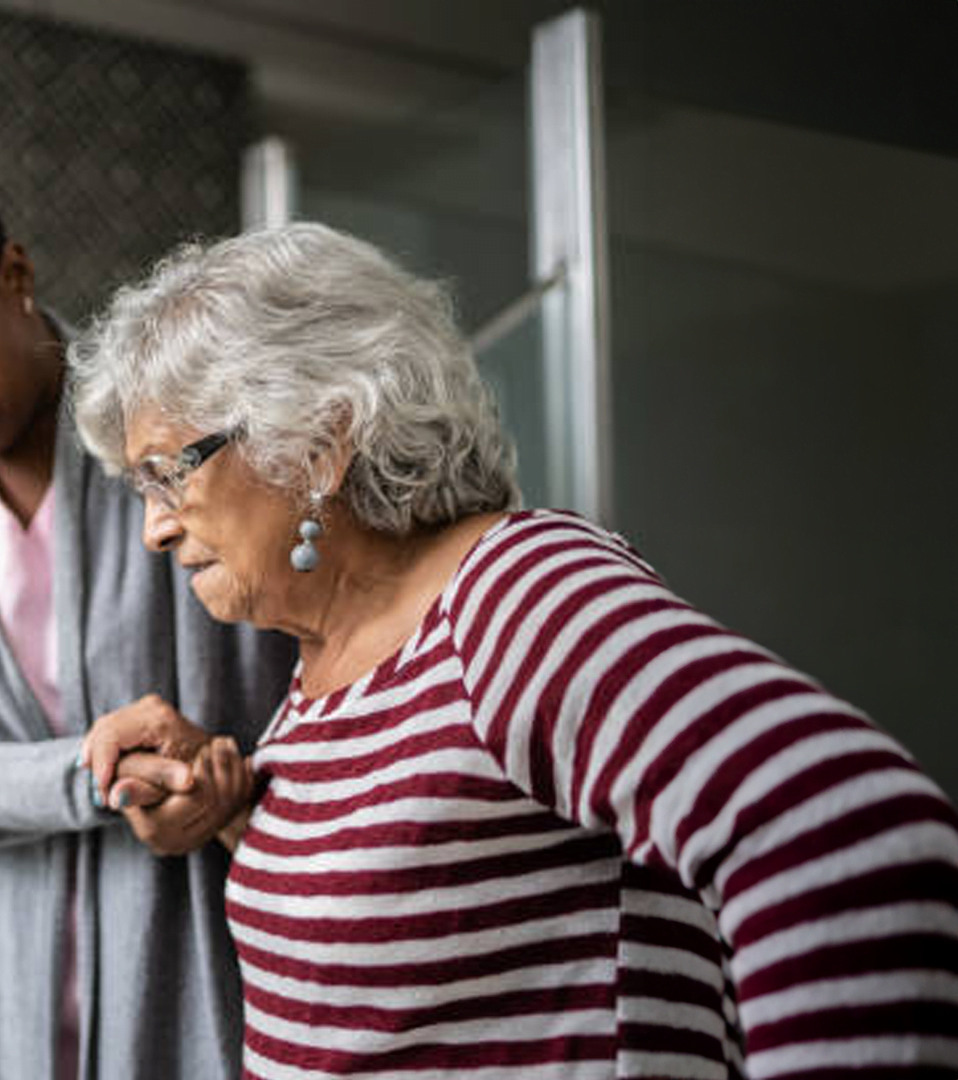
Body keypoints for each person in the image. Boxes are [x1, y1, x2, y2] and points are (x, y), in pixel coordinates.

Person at [69, 221, 958, 1077]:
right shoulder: (327, 664)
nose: (152, 528)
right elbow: (440, 919)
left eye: (168, 473)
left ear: (318, 443)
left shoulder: (512, 595)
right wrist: (231, 811)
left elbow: (845, 829)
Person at [0, 161, 296, 1079]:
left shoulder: (170, 425)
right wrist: (94, 778)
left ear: (15, 277)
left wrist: (221, 786)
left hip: (190, 948)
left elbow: (301, 677)